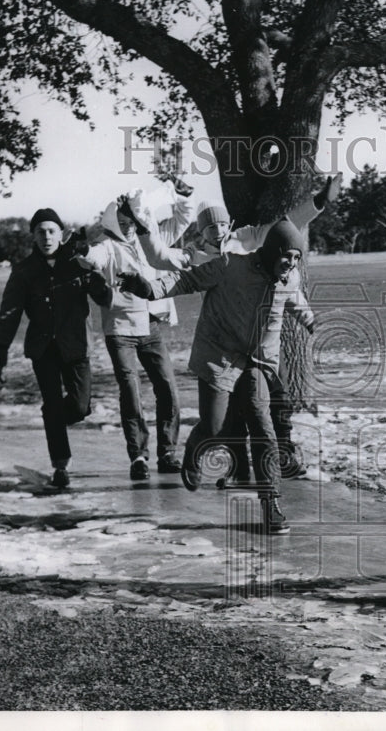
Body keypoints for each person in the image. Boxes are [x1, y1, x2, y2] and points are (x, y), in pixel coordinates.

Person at [118, 218, 315, 535]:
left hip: (255, 362)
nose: (291, 264)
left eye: (296, 258)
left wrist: (312, 321)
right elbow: (185, 281)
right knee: (216, 427)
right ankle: (196, 447)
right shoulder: (228, 265)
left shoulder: (287, 278)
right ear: (271, 251)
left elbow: (297, 301)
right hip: (219, 355)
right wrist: (149, 288)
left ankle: (271, 504)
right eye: (286, 256)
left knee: (263, 427)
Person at [137, 174, 341, 480]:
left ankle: (282, 455)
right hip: (224, 339)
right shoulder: (197, 256)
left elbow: (284, 225)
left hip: (261, 338)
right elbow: (160, 256)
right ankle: (237, 468)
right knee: (229, 415)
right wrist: (142, 227)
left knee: (279, 395)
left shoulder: (249, 238)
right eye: (210, 227)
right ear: (201, 232)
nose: (218, 230)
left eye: (221, 224)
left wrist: (318, 201)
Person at [0, 208, 112, 489]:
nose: (46, 236)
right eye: (40, 232)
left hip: (77, 346)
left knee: (81, 407)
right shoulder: (23, 270)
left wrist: (93, 275)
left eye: (51, 231)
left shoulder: (78, 263)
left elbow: (105, 298)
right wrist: (0, 351)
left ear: (61, 234)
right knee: (53, 402)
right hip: (43, 348)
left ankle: (53, 418)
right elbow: (9, 312)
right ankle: (60, 466)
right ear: (33, 236)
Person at [81, 190, 192, 482]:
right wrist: (82, 251)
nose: (128, 224)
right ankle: (138, 456)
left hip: (152, 325)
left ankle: (167, 452)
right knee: (130, 391)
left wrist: (183, 196)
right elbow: (93, 258)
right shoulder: (107, 245)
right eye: (122, 219)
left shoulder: (152, 237)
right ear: (113, 221)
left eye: (132, 219)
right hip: (120, 329)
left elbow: (183, 218)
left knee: (167, 387)